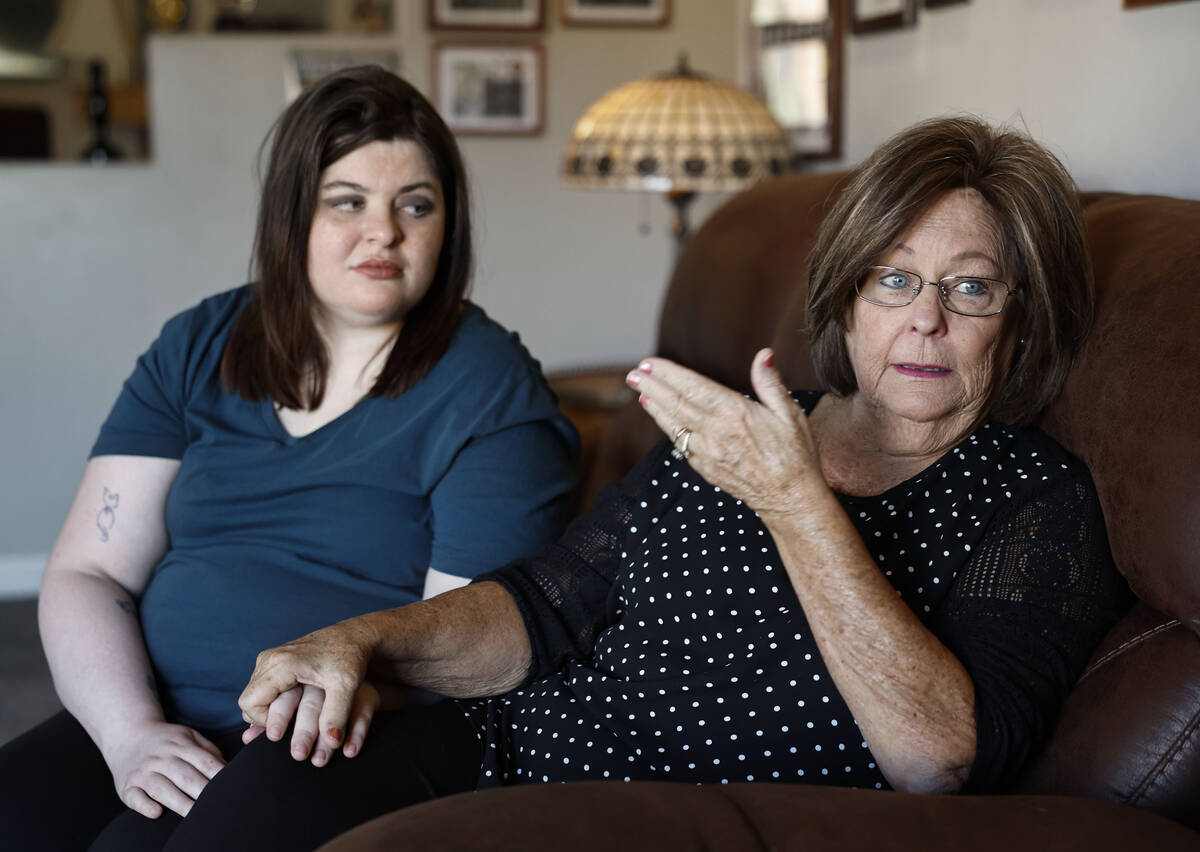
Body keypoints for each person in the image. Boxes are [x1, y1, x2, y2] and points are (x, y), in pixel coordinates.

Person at [151, 116, 1128, 851]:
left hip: (666, 818)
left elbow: (937, 756)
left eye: (971, 288)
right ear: (846, 296)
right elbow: (547, 607)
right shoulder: (749, 425)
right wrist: (360, 639)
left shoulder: (1034, 496)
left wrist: (796, 502)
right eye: (894, 278)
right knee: (279, 776)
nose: (925, 320)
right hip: (508, 749)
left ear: (1023, 319)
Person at [0, 66, 578, 851]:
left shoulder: (492, 392)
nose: (385, 232)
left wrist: (330, 690)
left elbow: (461, 644)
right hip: (145, 704)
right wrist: (129, 732)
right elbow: (89, 571)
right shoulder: (198, 343)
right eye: (348, 201)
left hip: (328, 732)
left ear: (448, 224)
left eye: (416, 204)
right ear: (291, 212)